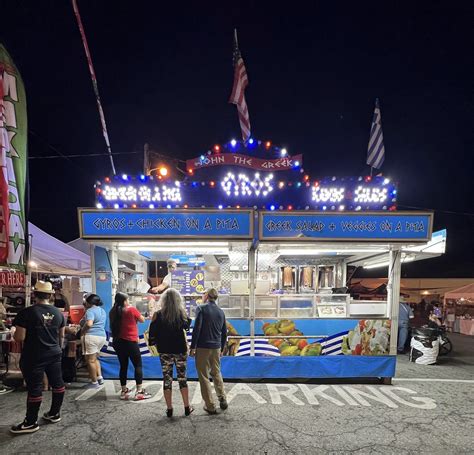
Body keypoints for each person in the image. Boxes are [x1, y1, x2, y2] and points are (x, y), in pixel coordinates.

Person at [10, 281, 66, 434]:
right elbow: (61, 335)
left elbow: (19, 338)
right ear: (50, 295)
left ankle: (30, 422)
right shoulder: (58, 313)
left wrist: (13, 331)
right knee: (58, 384)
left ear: (35, 294)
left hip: (34, 355)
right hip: (54, 353)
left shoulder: (26, 313)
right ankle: (54, 413)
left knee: (35, 388)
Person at [149, 288, 193, 417]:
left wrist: (157, 345)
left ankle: (169, 409)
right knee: (182, 378)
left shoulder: (158, 315)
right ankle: (186, 407)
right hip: (180, 350)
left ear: (163, 300)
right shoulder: (181, 313)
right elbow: (187, 326)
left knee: (167, 379)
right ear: (178, 300)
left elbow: (152, 335)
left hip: (164, 351)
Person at [190, 288, 228, 414]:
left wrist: (193, 347)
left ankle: (210, 406)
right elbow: (224, 333)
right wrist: (221, 348)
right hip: (216, 348)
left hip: (202, 347)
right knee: (216, 373)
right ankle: (222, 398)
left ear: (207, 295)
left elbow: (197, 328)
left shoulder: (201, 308)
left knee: (204, 376)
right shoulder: (221, 312)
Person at [109, 292, 151, 401]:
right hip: (130, 342)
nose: (128, 302)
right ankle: (139, 392)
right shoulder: (131, 309)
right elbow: (142, 319)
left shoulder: (112, 312)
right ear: (124, 301)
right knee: (138, 365)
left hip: (117, 342)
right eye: (127, 300)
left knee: (123, 366)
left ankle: (124, 391)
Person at [81, 294, 107, 387]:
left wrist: (81, 331)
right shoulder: (102, 310)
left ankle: (94, 382)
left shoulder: (90, 311)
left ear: (88, 302)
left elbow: (89, 324)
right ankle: (99, 378)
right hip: (101, 337)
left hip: (91, 336)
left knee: (90, 360)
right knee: (95, 358)